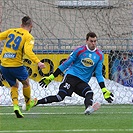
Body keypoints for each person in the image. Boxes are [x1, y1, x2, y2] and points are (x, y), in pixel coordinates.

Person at [37, 32, 114, 115]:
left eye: (95, 41)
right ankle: (36, 102)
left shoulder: (99, 55)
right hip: (71, 77)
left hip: (82, 81)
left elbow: (98, 74)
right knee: (60, 97)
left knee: (89, 93)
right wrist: (51, 77)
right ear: (86, 41)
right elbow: (65, 64)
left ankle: (88, 108)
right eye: (91, 41)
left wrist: (104, 89)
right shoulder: (79, 50)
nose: (93, 43)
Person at [0, 16, 45, 118]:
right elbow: (28, 51)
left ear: (21, 25)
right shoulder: (28, 36)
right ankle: (28, 102)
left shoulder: (11, 31)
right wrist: (38, 62)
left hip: (4, 65)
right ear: (31, 26)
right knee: (26, 83)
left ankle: (15, 106)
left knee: (14, 85)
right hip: (16, 65)